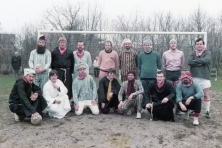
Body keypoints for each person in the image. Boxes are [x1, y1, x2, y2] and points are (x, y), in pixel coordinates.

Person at [188, 38, 212, 118]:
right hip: (194, 76)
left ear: (203, 45)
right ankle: (195, 109)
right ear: (195, 45)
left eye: (200, 44)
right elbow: (189, 62)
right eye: (197, 44)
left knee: (205, 94)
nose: (199, 45)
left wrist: (195, 61)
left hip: (204, 76)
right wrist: (200, 62)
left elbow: (206, 60)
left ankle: (207, 111)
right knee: (195, 94)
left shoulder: (207, 53)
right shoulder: (192, 53)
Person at [138, 39, 162, 108]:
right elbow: (139, 65)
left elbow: (159, 65)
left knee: (154, 92)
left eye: (148, 45)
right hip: (143, 77)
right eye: (145, 45)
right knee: (144, 92)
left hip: (153, 77)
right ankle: (143, 106)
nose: (147, 46)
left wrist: (155, 72)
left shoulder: (156, 54)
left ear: (151, 46)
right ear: (143, 46)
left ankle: (154, 106)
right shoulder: (141, 55)